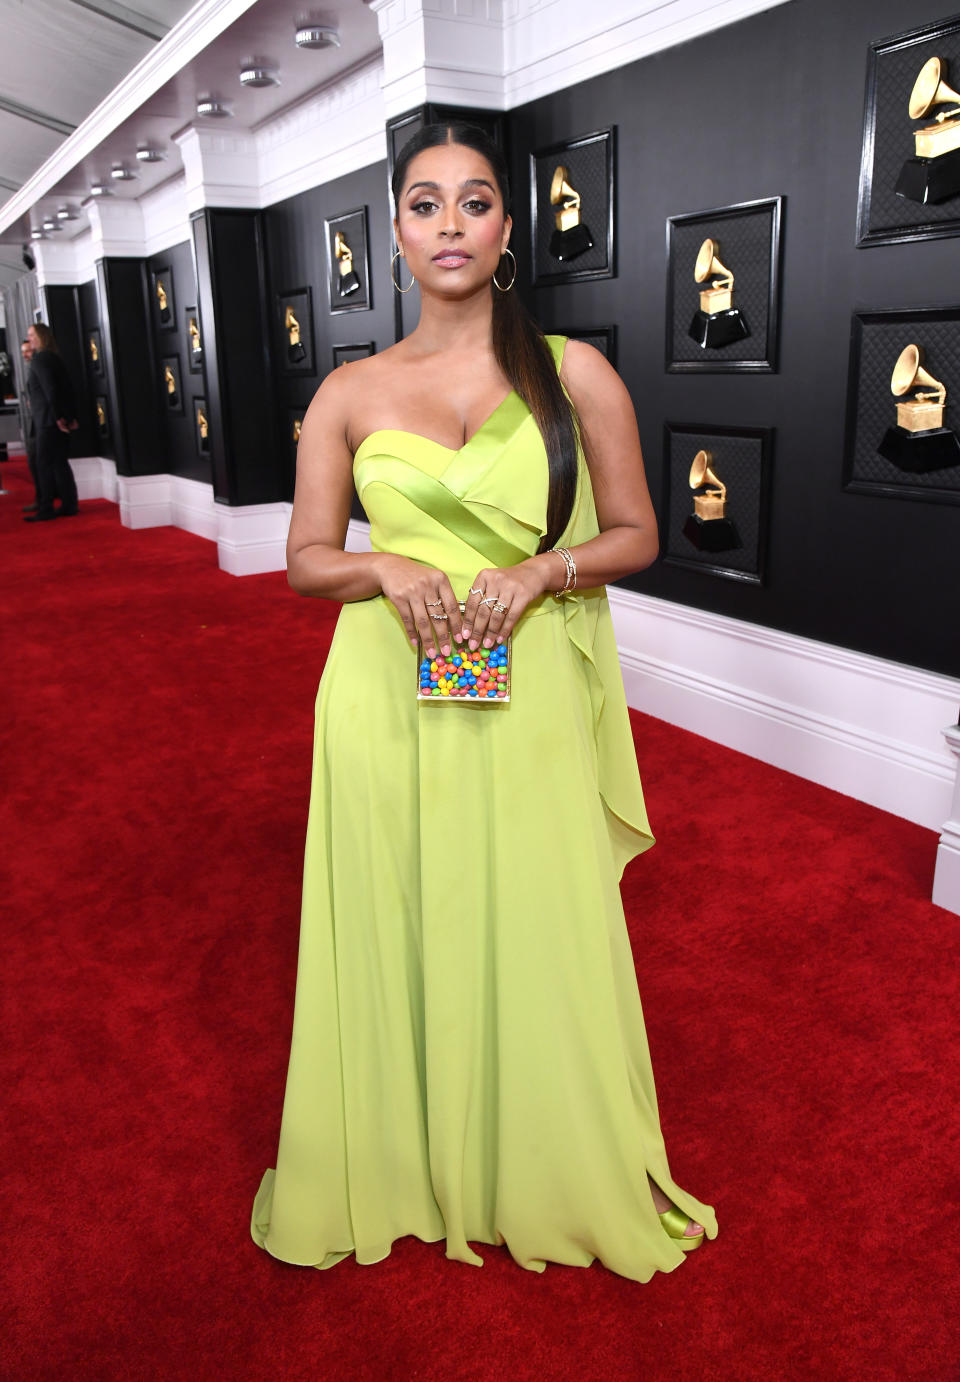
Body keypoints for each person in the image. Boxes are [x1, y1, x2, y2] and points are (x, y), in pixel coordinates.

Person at [252, 122, 717, 1283]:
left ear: (508, 230)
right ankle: (401, 1161)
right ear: (396, 231)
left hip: (532, 678)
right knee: (398, 906)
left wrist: (540, 569)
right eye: (424, 204)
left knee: (535, 909)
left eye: (473, 203)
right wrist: (386, 566)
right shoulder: (348, 388)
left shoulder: (575, 373)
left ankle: (544, 1160)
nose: (449, 225)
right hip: (381, 688)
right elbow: (308, 555)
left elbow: (638, 532)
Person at [23, 322, 79, 522]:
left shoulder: (41, 359)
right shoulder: (54, 358)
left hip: (48, 421)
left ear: (42, 337)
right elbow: (64, 389)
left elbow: (51, 390)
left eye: (32, 335)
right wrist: (69, 417)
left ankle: (46, 507)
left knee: (44, 464)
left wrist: (58, 418)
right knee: (59, 463)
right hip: (53, 419)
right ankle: (69, 505)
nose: (29, 339)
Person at [19, 337, 41, 515]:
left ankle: (43, 500)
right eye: (23, 352)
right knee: (34, 462)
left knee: (38, 462)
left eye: (28, 350)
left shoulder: (41, 367)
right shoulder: (32, 369)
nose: (25, 355)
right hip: (36, 420)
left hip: (43, 422)